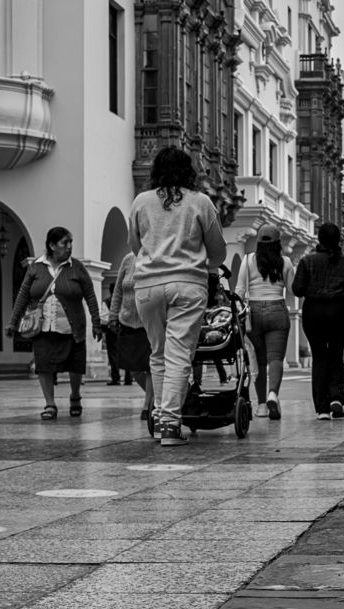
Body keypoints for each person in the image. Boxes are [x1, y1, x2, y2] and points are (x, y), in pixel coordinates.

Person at [129, 145, 227, 446]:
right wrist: (201, 264)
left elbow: (135, 245)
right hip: (186, 285)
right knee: (179, 354)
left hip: (147, 285)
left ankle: (160, 420)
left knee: (157, 353)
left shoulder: (141, 201)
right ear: (189, 170)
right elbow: (218, 251)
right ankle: (171, 423)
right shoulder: (200, 202)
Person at [6, 226, 102, 419]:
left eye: (70, 242)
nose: (69, 247)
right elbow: (23, 295)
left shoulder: (77, 267)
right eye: (64, 243)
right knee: (43, 365)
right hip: (43, 327)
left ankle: (75, 396)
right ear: (51, 245)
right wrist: (12, 322)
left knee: (75, 365)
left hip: (71, 327)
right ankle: (50, 404)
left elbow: (90, 296)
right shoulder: (36, 267)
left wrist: (96, 322)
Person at [292, 222, 344, 421]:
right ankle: (336, 397)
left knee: (319, 356)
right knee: (335, 354)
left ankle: (322, 407)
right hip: (339, 311)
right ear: (338, 240)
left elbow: (297, 289)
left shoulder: (307, 262)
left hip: (313, 311)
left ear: (319, 239)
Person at [236, 223, 294, 420]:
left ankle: (261, 405)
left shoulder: (248, 259)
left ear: (258, 243)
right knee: (275, 358)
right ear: (278, 243)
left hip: (254, 312)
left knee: (258, 361)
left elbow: (240, 291)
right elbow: (293, 290)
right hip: (277, 309)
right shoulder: (285, 262)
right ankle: (273, 394)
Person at [109, 253, 154, 421]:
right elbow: (118, 291)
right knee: (134, 367)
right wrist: (113, 315)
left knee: (151, 366)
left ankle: (148, 403)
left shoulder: (157, 255)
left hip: (150, 321)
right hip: (127, 320)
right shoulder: (128, 259)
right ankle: (156, 396)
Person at [102, 287, 131, 386]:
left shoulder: (107, 302)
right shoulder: (126, 301)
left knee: (113, 355)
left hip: (112, 330)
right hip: (125, 329)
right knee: (127, 353)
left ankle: (116, 378)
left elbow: (104, 318)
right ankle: (128, 378)